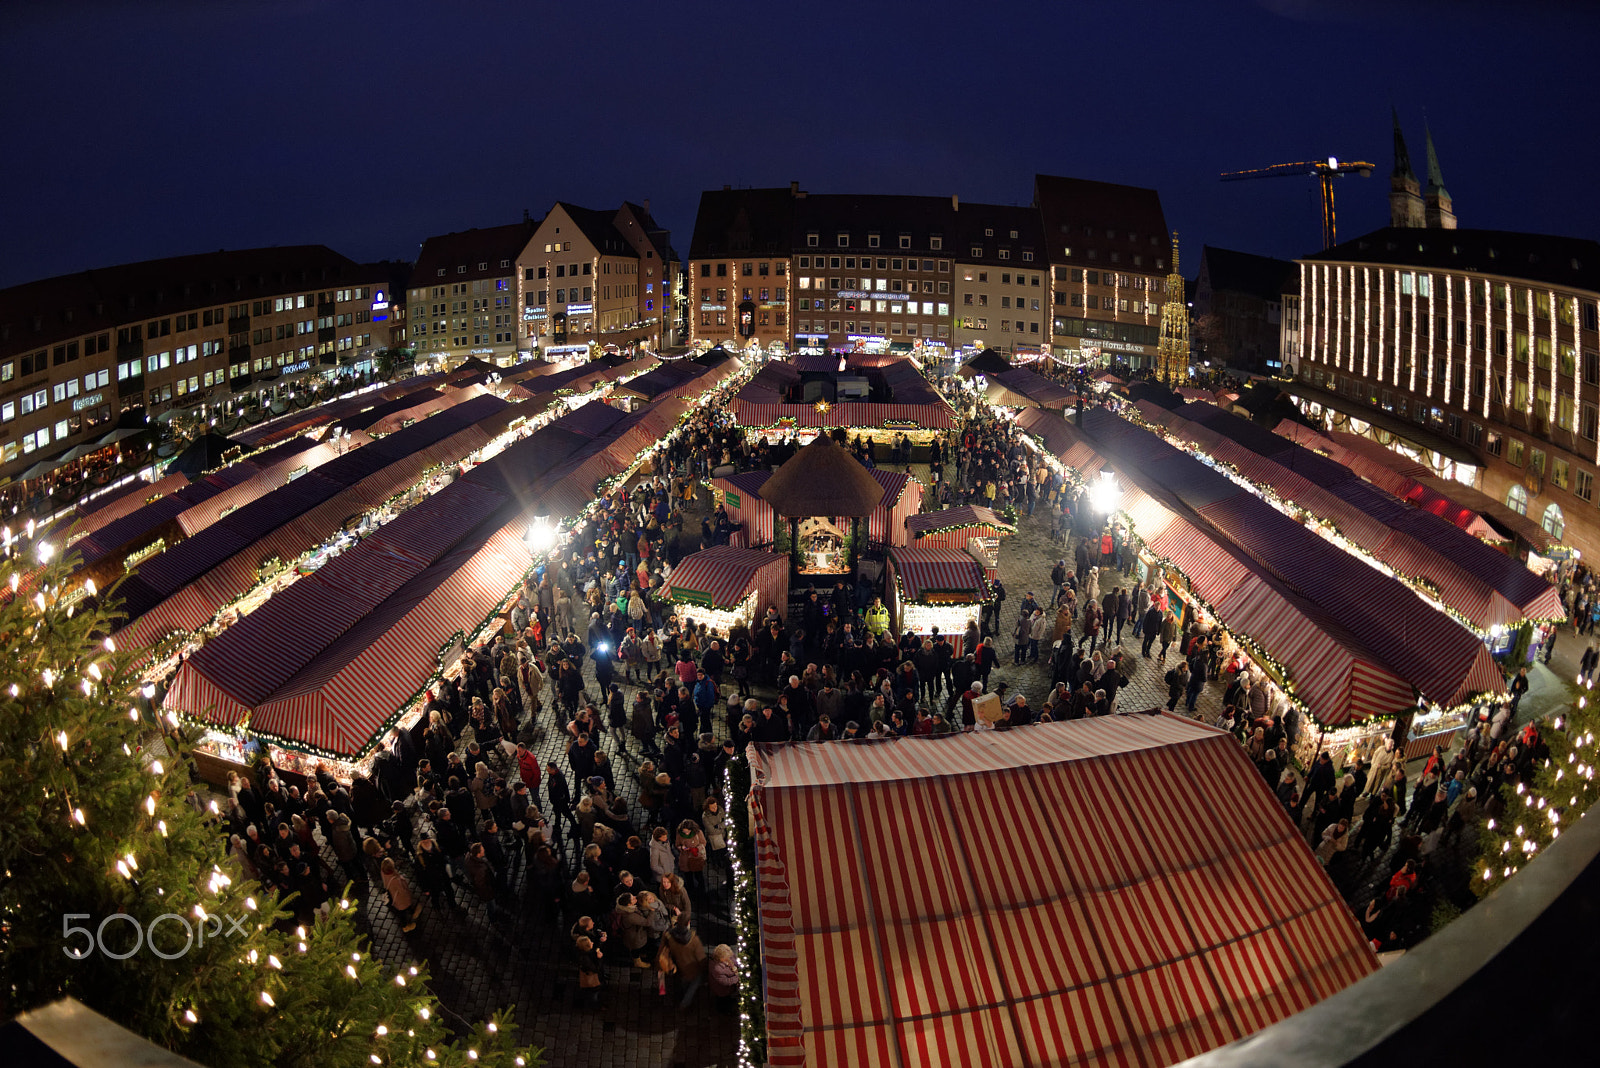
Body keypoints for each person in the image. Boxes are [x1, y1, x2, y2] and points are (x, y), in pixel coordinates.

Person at [380, 858, 418, 932]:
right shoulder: (395, 880)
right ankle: (405, 926)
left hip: (393, 895)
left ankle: (412, 911)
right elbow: (402, 891)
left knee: (403, 911)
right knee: (402, 913)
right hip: (400, 899)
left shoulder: (383, 872)